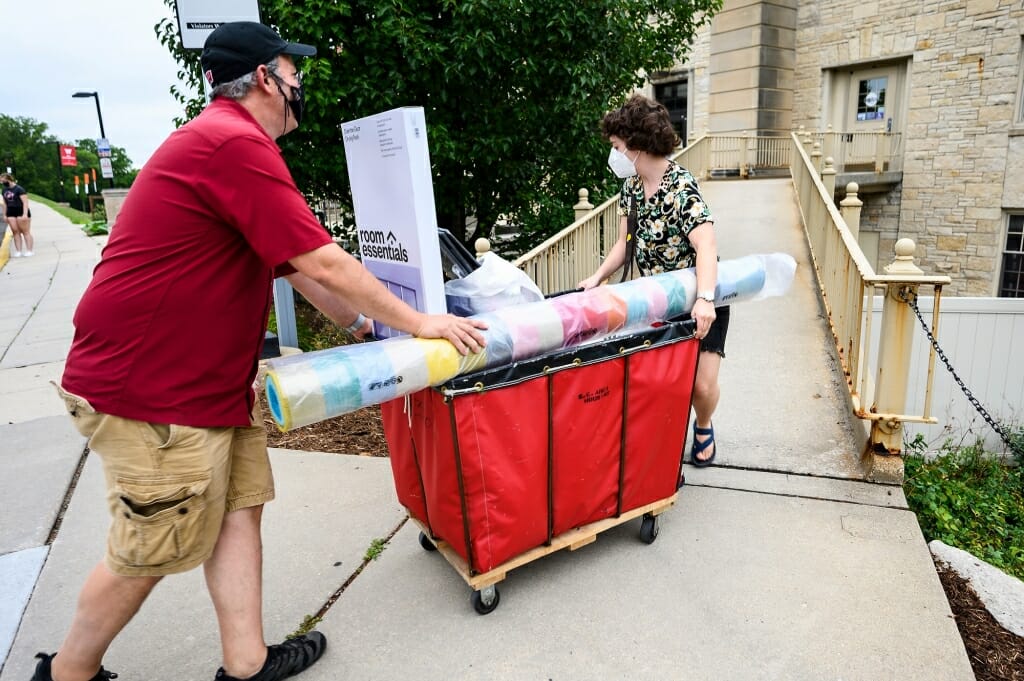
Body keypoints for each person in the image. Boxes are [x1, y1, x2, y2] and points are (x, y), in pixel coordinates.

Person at [33, 21, 486, 681]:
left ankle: (246, 664)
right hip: (152, 390)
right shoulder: (230, 143)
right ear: (266, 78)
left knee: (239, 504)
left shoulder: (227, 144)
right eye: (292, 71)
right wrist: (422, 322)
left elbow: (297, 268)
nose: (300, 83)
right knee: (154, 544)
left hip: (205, 386)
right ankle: (66, 673)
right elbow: (321, 261)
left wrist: (364, 327)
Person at [578, 94, 727, 469]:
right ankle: (666, 439)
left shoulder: (681, 188)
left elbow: (706, 244)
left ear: (636, 145)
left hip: (701, 296)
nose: (613, 154)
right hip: (661, 298)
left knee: (702, 385)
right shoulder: (632, 187)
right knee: (667, 381)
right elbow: (625, 241)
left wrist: (706, 298)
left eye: (616, 146)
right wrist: (598, 276)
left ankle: (704, 424)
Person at [2, 173, 33, 257]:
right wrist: (4, 215)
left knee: (25, 231)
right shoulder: (4, 190)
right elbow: (5, 203)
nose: (2, 182)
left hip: (20, 211)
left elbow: (25, 202)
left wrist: (25, 214)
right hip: (11, 212)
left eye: (4, 181)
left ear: (9, 179)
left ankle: (29, 250)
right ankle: (18, 251)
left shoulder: (19, 189)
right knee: (15, 231)